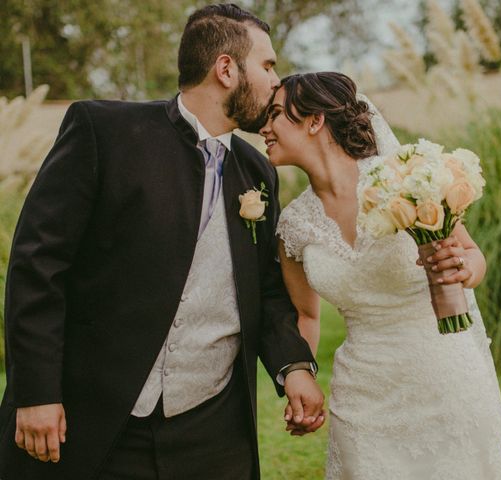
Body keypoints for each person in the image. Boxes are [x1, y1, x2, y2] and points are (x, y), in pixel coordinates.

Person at [0, 4, 325, 480]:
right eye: (268, 65)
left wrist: (293, 366)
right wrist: (36, 391)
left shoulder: (256, 173)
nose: (277, 82)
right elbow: (37, 265)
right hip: (97, 418)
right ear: (226, 69)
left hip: (212, 430)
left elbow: (269, 290)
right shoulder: (104, 132)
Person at [259, 72, 501, 479]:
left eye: (274, 115)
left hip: (443, 377)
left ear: (314, 120)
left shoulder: (401, 178)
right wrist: (300, 380)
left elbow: (471, 255)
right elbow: (305, 316)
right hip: (363, 395)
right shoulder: (293, 225)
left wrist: (462, 269)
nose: (263, 128)